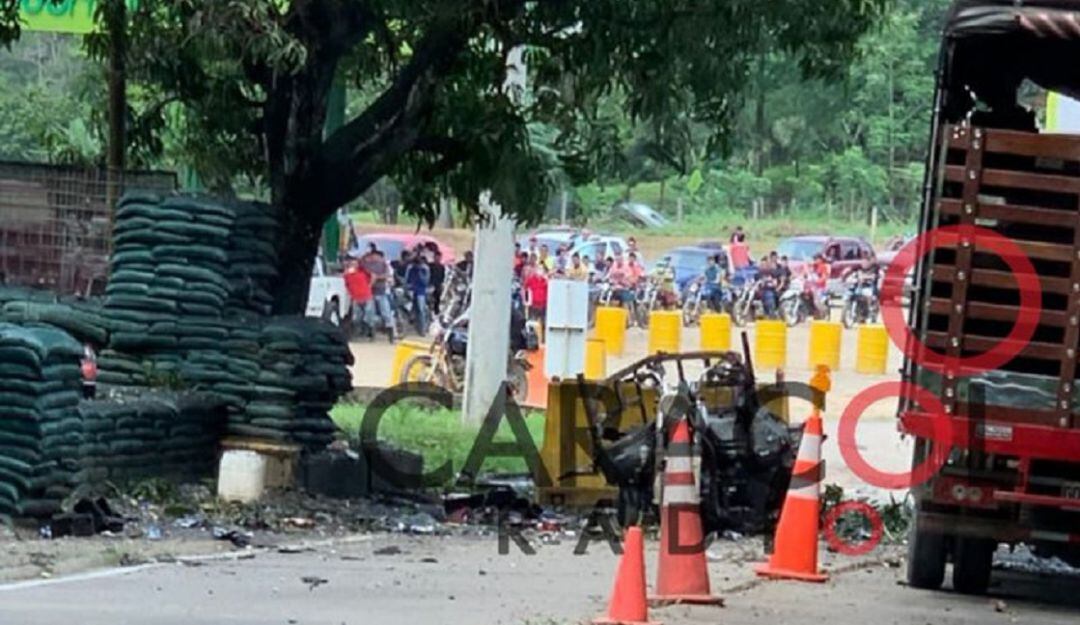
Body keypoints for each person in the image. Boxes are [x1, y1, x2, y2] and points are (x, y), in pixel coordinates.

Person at [361, 248, 397, 341]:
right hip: (370, 292)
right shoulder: (367, 264)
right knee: (370, 312)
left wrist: (376, 277)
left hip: (381, 292)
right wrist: (365, 255)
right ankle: (372, 334)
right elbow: (361, 264)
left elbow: (387, 275)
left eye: (376, 256)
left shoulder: (384, 265)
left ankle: (391, 334)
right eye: (372, 255)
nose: (374, 257)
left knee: (386, 313)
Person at [344, 257, 374, 338]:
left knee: (368, 315)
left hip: (366, 296)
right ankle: (360, 332)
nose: (354, 265)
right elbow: (346, 284)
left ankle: (369, 332)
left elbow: (372, 276)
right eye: (352, 264)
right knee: (357, 317)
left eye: (355, 264)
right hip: (356, 297)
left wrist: (370, 285)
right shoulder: (347, 274)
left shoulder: (363, 271)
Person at [404, 253, 431, 335]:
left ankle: (422, 329)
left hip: (420, 291)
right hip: (412, 291)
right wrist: (408, 287)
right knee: (411, 309)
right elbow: (407, 280)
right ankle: (413, 326)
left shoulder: (424, 269)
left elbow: (426, 281)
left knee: (421, 310)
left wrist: (420, 273)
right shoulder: (410, 268)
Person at [429, 250, 446, 317]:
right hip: (431, 284)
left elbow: (442, 276)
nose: (437, 259)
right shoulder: (430, 265)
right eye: (436, 257)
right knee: (430, 298)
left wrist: (442, 283)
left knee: (437, 298)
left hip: (438, 284)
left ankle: (436, 310)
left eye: (439, 257)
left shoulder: (442, 267)